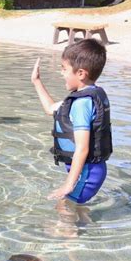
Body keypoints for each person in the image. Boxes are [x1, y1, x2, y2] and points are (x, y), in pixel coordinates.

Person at [31, 39, 112, 208]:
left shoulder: (82, 104)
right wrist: (36, 81)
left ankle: (71, 233)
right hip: (90, 171)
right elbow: (50, 109)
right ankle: (83, 228)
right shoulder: (88, 95)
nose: (61, 73)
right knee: (74, 210)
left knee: (63, 208)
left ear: (81, 73)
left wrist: (68, 184)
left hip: (88, 173)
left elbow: (82, 148)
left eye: (64, 69)